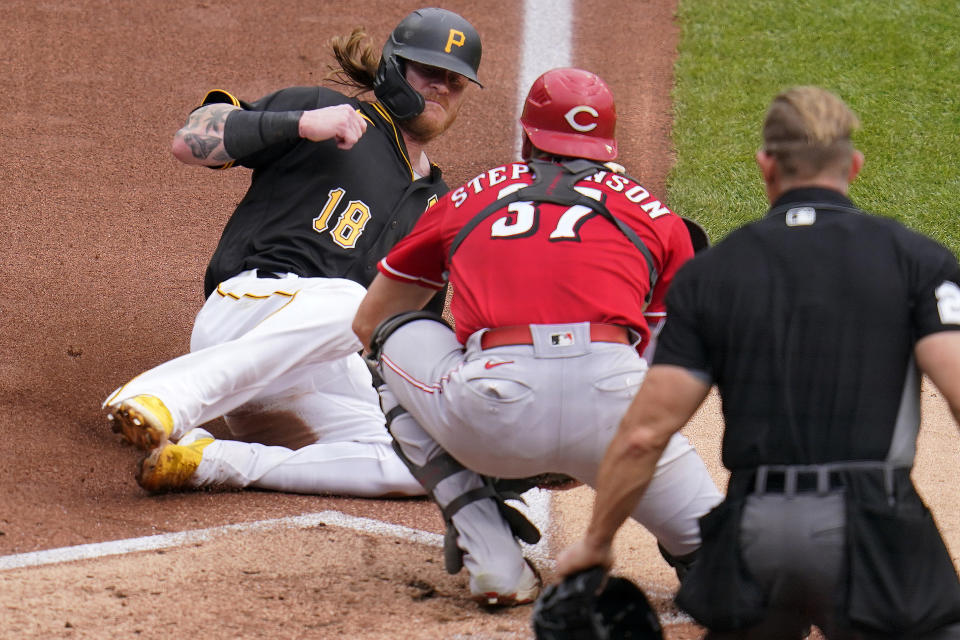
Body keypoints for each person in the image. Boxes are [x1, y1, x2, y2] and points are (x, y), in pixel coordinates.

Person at [556, 86, 960, 638]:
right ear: (854, 166)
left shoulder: (711, 275)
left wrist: (597, 542)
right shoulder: (916, 259)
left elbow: (643, 434)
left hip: (754, 533)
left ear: (765, 165)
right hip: (873, 526)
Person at [352, 67, 723, 607]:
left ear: (527, 136)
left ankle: (490, 551)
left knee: (392, 340)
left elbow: (370, 322)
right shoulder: (659, 217)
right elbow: (667, 365)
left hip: (492, 417)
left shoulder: (468, 198)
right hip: (615, 423)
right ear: (607, 146)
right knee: (729, 566)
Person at [102, 8, 482, 497]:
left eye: (457, 80)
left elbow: (403, 342)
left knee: (422, 465)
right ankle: (161, 395)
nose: (443, 88)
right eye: (431, 72)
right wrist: (299, 123)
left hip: (315, 372)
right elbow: (190, 142)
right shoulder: (325, 109)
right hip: (250, 311)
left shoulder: (440, 209)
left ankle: (212, 460)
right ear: (394, 68)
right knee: (357, 305)